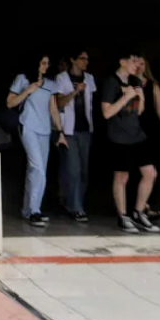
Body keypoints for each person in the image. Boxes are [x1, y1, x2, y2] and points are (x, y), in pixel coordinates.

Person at [99, 52, 160, 234]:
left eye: (138, 62)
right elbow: (106, 113)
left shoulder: (135, 80)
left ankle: (138, 212)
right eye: (133, 61)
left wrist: (141, 98)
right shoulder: (111, 82)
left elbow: (138, 111)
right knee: (122, 177)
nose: (137, 65)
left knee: (150, 173)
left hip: (137, 134)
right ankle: (122, 216)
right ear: (122, 61)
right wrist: (125, 97)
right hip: (118, 136)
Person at [7, 56, 66, 226]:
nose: (46, 66)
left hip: (44, 130)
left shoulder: (50, 84)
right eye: (43, 63)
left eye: (48, 63)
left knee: (37, 170)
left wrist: (60, 132)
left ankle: (29, 209)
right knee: (37, 168)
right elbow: (10, 103)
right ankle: (34, 211)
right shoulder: (23, 79)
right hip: (28, 126)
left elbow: (53, 109)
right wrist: (27, 91)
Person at [54, 50, 95, 222]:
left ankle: (77, 203)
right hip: (69, 130)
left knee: (84, 170)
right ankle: (76, 207)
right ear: (73, 60)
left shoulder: (89, 78)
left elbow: (92, 103)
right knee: (74, 169)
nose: (86, 62)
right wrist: (75, 92)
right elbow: (59, 103)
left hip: (86, 129)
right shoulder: (61, 78)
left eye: (87, 59)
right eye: (82, 59)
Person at [135, 56, 160, 221]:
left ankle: (145, 205)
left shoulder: (153, 85)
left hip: (150, 132)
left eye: (142, 63)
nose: (139, 66)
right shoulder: (126, 84)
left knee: (152, 171)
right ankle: (139, 207)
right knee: (138, 171)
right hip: (131, 130)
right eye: (136, 63)